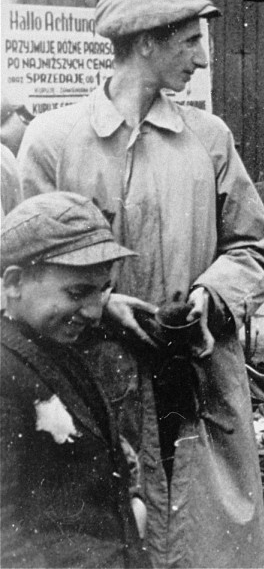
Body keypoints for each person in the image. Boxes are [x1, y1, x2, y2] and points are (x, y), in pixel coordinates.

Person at [18, 0, 264, 568]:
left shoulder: (208, 139)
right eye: (188, 41)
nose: (202, 57)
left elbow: (256, 248)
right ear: (143, 43)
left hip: (197, 379)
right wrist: (103, 306)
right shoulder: (52, 141)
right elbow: (22, 271)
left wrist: (209, 301)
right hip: (92, 379)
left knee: (206, 545)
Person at [1, 192, 149, 568]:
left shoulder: (51, 340)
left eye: (102, 290)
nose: (96, 311)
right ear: (15, 282)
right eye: (78, 292)